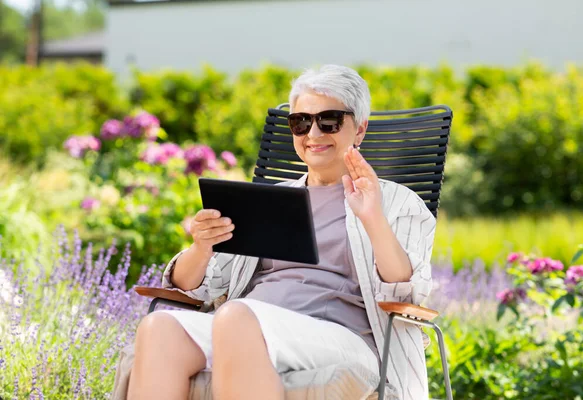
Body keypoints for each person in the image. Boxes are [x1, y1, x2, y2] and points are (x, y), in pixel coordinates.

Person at [126, 65, 436, 400]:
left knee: (236, 317)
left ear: (359, 129)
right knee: (160, 329)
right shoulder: (268, 199)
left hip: (342, 337)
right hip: (247, 327)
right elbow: (193, 288)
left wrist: (372, 217)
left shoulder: (396, 201)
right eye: (301, 122)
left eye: (329, 120)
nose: (313, 134)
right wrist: (201, 248)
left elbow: (406, 294)